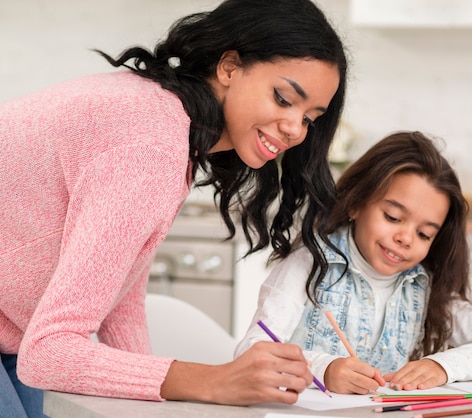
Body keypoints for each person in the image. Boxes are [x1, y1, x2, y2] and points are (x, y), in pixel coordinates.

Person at [0, 0, 348, 414]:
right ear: (229, 67)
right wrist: (215, 381)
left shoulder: (165, 123)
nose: (295, 129)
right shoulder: (151, 144)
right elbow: (51, 354)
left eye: (310, 117)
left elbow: (119, 300)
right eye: (283, 98)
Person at [235, 131, 472, 395]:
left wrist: (442, 366)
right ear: (356, 203)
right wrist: (323, 369)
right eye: (392, 217)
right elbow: (251, 352)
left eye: (424, 233)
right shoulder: (310, 263)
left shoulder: (426, 283)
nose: (406, 238)